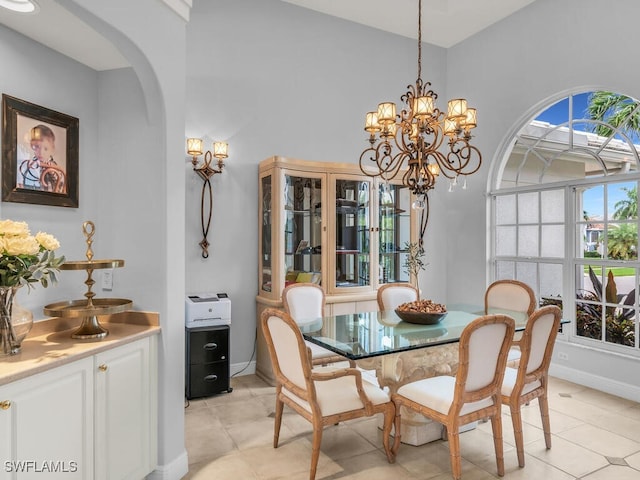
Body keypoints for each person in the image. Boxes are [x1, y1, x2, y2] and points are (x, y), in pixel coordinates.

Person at [18, 124, 60, 191]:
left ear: (51, 149)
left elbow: (59, 178)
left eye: (46, 149)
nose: (41, 152)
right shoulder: (32, 162)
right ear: (32, 146)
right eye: (37, 147)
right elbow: (24, 177)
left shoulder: (53, 164)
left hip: (50, 196)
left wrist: (51, 171)